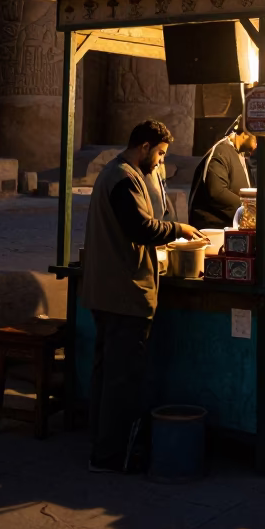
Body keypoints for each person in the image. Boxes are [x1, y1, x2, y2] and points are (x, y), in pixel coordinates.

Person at [80, 119, 202, 473]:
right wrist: (178, 229)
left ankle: (102, 447)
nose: (161, 162)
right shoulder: (123, 177)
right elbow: (141, 227)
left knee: (108, 376)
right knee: (120, 380)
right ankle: (109, 456)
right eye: (160, 154)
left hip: (109, 291)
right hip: (123, 293)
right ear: (144, 147)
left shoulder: (120, 174)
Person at [188, 121, 258, 229]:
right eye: (256, 140)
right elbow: (217, 192)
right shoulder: (220, 153)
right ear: (245, 133)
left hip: (232, 228)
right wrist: (249, 209)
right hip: (213, 230)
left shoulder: (241, 155)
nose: (257, 146)